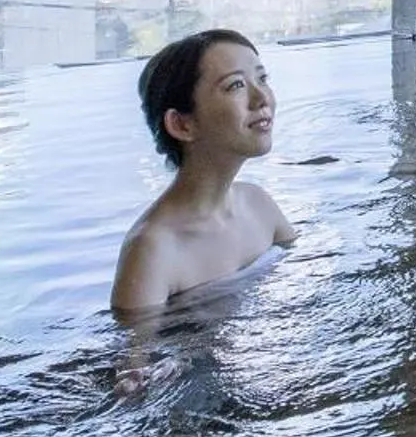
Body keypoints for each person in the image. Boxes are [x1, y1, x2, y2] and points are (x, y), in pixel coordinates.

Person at [111, 28, 297, 315]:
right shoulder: (154, 250)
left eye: (262, 79)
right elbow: (136, 357)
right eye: (235, 85)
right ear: (182, 125)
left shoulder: (259, 205)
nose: (262, 98)